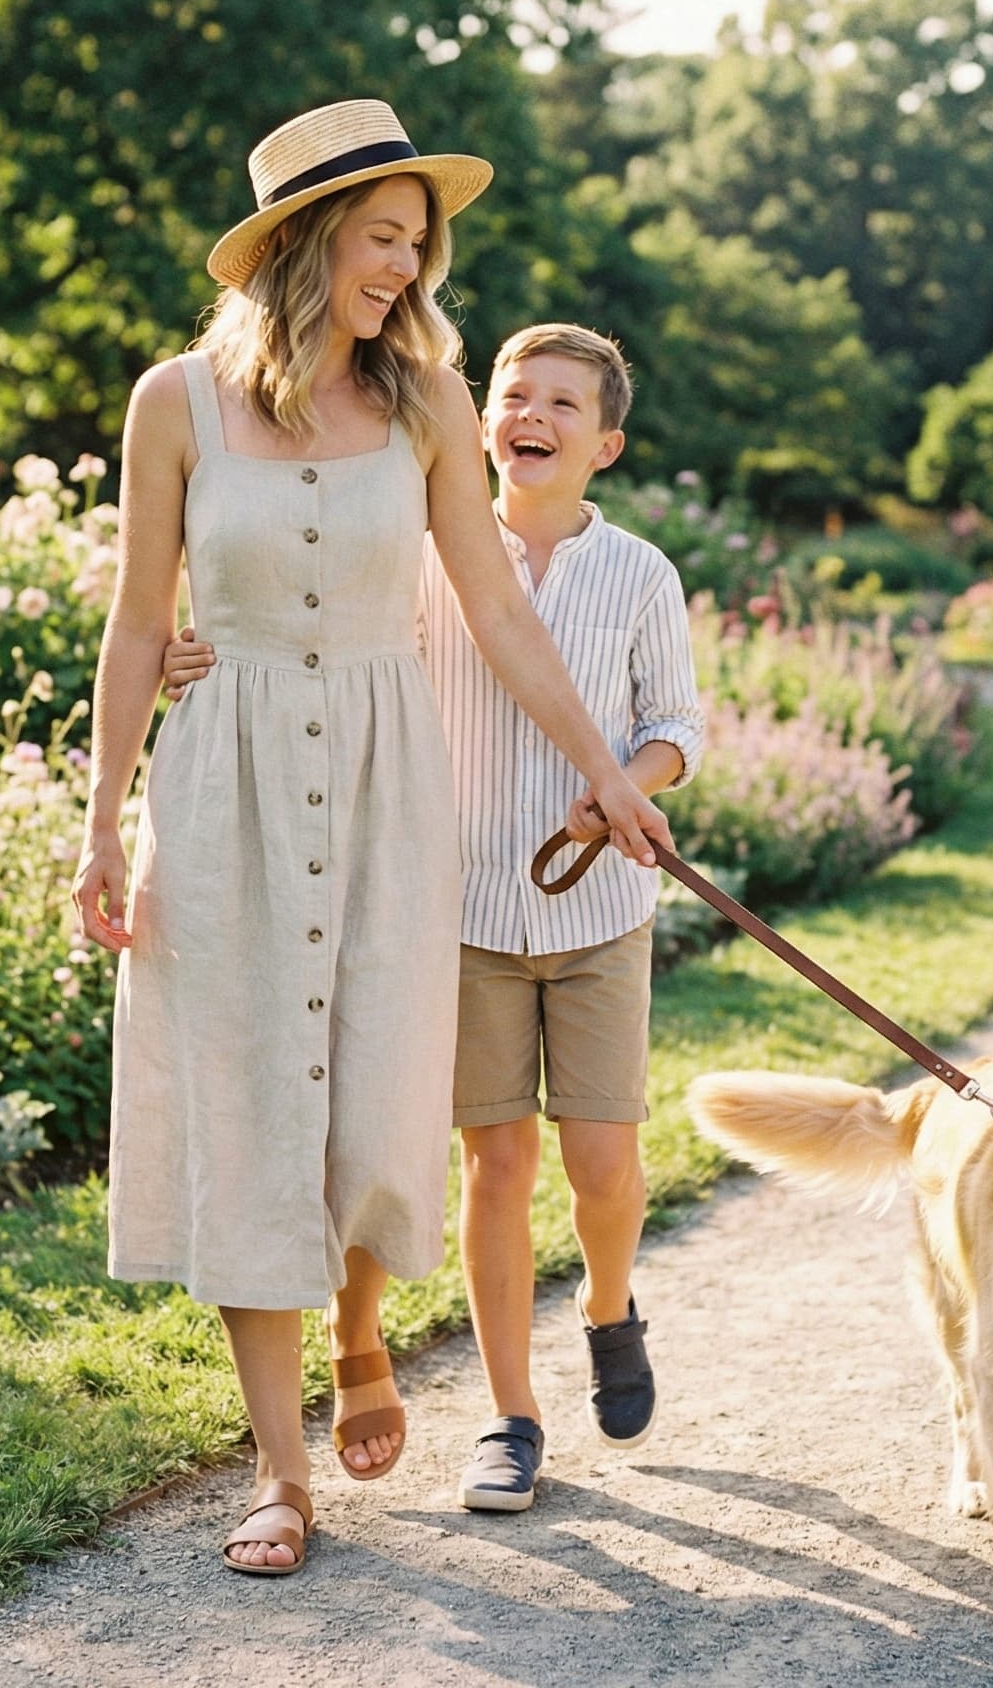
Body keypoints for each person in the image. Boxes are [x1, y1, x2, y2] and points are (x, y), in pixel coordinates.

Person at [74, 101, 671, 1581]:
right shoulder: (177, 404)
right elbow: (141, 623)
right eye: (383, 238)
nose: (407, 268)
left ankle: (359, 1340)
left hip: (394, 785)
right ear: (302, 244)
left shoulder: (424, 407)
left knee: (364, 1093)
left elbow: (501, 609)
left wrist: (609, 772)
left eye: (420, 242)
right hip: (225, 787)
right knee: (250, 1101)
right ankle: (282, 1475)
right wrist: (99, 826)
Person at [165, 323, 702, 1517]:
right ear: (476, 419)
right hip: (455, 901)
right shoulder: (414, 559)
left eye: (564, 402)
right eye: (514, 392)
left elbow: (676, 722)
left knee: (603, 1159)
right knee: (495, 1159)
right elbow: (331, 651)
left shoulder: (640, 575)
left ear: (603, 442)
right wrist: (198, 644)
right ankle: (511, 1418)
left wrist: (631, 782)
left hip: (597, 903)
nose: (533, 414)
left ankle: (610, 1303)